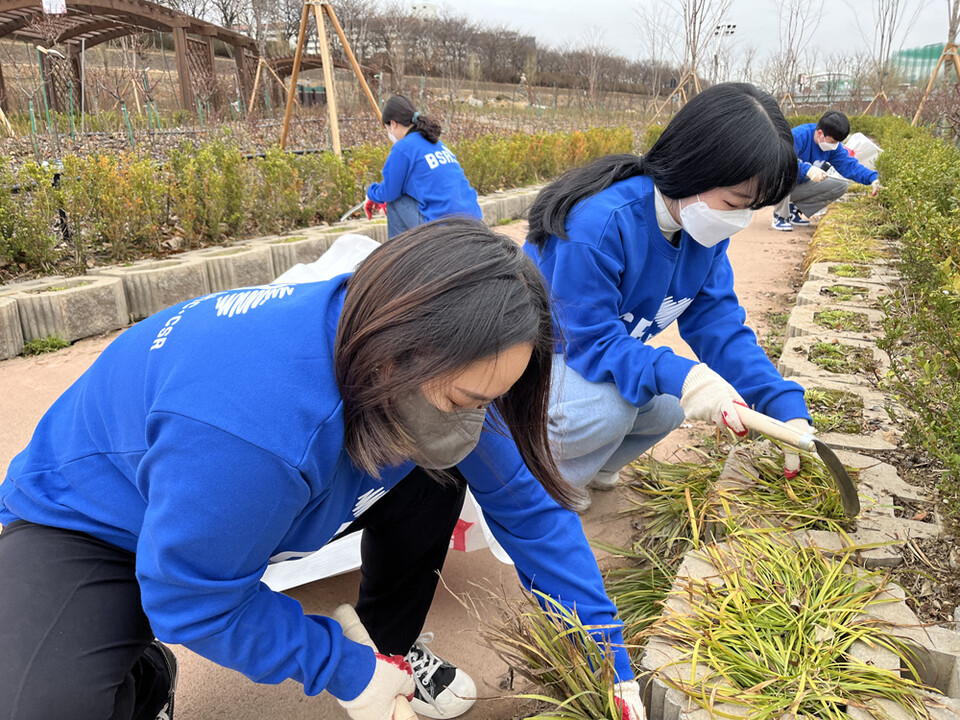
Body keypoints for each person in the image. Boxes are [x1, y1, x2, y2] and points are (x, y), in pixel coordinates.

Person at [0, 218, 645, 720]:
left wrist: (609, 654)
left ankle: (389, 649)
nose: (478, 422)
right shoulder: (258, 425)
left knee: (439, 468)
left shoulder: (441, 358)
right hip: (94, 525)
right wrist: (341, 668)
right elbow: (188, 596)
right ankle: (144, 680)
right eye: (466, 402)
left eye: (488, 403)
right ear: (396, 359)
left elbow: (530, 515)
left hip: (250, 498)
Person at [523, 83, 815, 511]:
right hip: (528, 369)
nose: (739, 219)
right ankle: (528, 497)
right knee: (608, 408)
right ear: (695, 170)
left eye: (750, 208)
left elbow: (718, 324)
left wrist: (782, 404)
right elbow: (593, 344)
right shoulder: (600, 225)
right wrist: (686, 376)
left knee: (667, 408)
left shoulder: (701, 229)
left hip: (580, 363)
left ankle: (592, 467)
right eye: (735, 202)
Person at [364, 95, 482, 239]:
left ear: (393, 124)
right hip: (475, 223)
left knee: (395, 201)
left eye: (388, 128)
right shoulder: (436, 143)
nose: (390, 133)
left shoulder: (403, 148)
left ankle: (398, 258)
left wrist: (371, 194)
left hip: (445, 230)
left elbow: (389, 192)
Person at [771, 110, 881, 231]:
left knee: (840, 186)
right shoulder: (798, 136)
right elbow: (781, 162)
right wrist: (807, 170)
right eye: (833, 141)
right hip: (773, 186)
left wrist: (872, 177)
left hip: (796, 187)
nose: (835, 145)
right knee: (784, 172)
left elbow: (850, 166)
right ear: (819, 133)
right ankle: (780, 216)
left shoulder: (833, 148)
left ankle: (794, 209)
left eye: (838, 142)